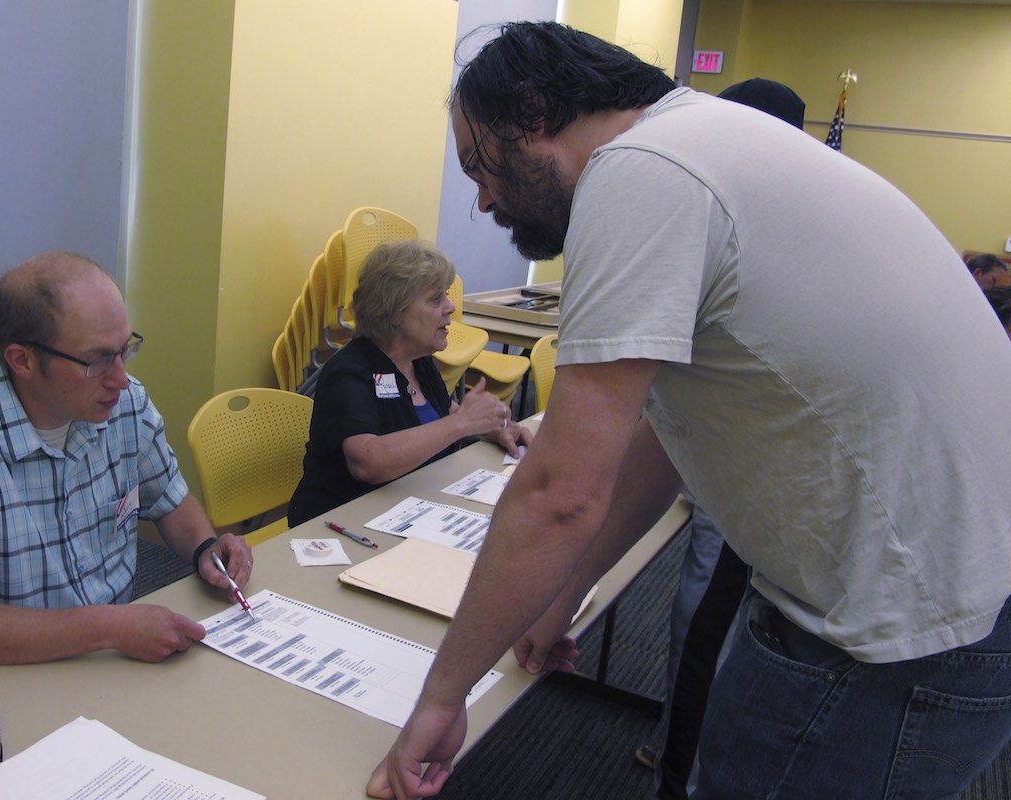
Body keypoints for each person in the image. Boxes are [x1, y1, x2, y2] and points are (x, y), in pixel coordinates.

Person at [367, 21, 1011, 800]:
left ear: (532, 113)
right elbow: (667, 439)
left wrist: (442, 697)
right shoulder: (704, 141)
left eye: (479, 163)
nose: (480, 195)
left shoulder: (642, 172)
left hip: (906, 620)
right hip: (914, 587)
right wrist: (563, 593)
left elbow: (560, 494)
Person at [0, 251, 253, 696]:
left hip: (100, 661)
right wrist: (110, 628)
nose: (120, 377)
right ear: (21, 360)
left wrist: (206, 549)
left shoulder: (124, 403)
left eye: (124, 350)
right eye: (97, 360)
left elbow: (169, 500)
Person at [637, 76, 806, 799]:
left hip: (768, 474)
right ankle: (681, 743)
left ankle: (681, 754)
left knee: (715, 612)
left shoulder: (750, 215)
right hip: (767, 469)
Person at [288, 239, 532, 526]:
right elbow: (367, 462)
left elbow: (445, 415)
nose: (450, 307)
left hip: (406, 510)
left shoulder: (418, 361)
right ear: (393, 310)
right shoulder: (349, 373)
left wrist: (493, 429)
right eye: (435, 299)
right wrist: (462, 423)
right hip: (340, 525)